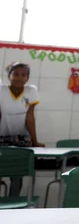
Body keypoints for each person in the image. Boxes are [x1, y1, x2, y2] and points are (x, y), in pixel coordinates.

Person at [0, 62, 43, 197]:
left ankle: (13, 205)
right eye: (15, 74)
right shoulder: (1, 90)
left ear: (27, 78)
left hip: (21, 137)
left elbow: (30, 116)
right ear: (9, 76)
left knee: (17, 174)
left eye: (23, 75)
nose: (19, 77)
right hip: (2, 135)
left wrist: (35, 141)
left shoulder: (31, 90)